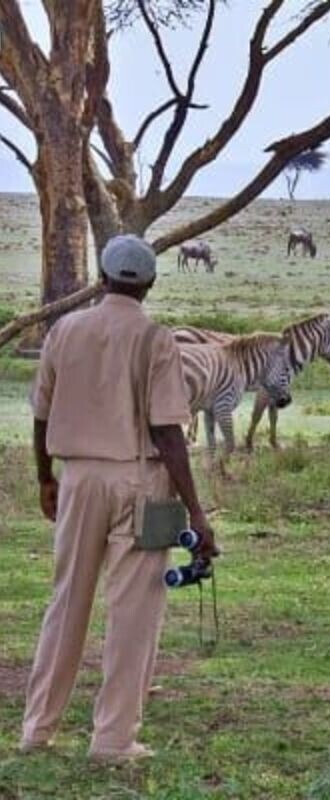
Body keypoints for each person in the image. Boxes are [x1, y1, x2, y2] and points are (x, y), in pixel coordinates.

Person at [21, 234, 217, 763]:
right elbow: (169, 433)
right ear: (149, 284)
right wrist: (196, 510)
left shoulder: (66, 329)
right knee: (135, 610)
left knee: (67, 601)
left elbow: (41, 414)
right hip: (144, 481)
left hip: (78, 477)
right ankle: (112, 739)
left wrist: (46, 478)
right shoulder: (155, 339)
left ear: (102, 279)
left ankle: (38, 728)